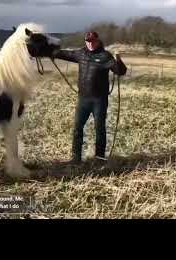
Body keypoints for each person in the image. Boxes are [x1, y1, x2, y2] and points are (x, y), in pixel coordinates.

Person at [52, 31, 127, 164]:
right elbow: (64, 54)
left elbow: (120, 71)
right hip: (83, 99)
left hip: (99, 100)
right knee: (77, 127)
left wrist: (118, 60)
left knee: (100, 128)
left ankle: (99, 158)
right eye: (88, 41)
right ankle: (75, 158)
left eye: (93, 41)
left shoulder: (105, 56)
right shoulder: (81, 53)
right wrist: (49, 51)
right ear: (85, 41)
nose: (90, 43)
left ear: (98, 41)